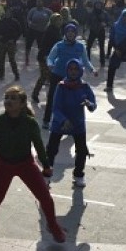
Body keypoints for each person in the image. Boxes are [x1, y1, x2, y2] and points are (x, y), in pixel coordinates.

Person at [0, 85, 66, 243]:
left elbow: (39, 145)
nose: (8, 101)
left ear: (22, 104)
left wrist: (46, 165)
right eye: (6, 98)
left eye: (13, 98)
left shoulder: (30, 123)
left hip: (26, 164)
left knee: (45, 197)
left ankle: (53, 225)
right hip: (3, 165)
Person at [45, 59, 97, 187]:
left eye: (76, 69)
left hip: (77, 123)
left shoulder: (84, 86)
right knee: (51, 150)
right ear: (67, 70)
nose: (73, 72)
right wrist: (63, 120)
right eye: (70, 69)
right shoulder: (61, 86)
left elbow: (93, 104)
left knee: (81, 150)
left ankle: (78, 174)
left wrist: (89, 104)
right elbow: (55, 107)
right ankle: (46, 175)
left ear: (80, 70)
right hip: (60, 123)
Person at [42, 23, 96, 130]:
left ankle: (73, 122)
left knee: (74, 101)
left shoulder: (80, 46)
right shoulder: (59, 45)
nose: (70, 34)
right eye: (68, 32)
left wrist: (92, 70)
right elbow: (50, 58)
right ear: (65, 33)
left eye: (72, 32)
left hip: (73, 77)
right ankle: (46, 120)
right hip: (58, 74)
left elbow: (85, 61)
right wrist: (50, 64)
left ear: (75, 34)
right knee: (52, 97)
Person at [31, 13, 62, 104]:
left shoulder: (57, 30)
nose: (59, 22)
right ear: (53, 21)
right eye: (57, 20)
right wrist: (45, 55)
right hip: (44, 57)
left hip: (51, 57)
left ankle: (51, 96)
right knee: (45, 76)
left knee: (49, 77)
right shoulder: (50, 30)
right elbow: (44, 44)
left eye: (60, 20)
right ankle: (35, 94)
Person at [0, 10, 22, 81]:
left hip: (11, 43)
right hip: (2, 43)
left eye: (9, 13)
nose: (7, 14)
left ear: (11, 14)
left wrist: (14, 39)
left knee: (12, 60)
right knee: (1, 60)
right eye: (6, 13)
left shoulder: (15, 22)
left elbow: (19, 32)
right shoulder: (1, 21)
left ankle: (16, 75)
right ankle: (1, 74)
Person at [85, 0, 110, 67]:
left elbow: (108, 22)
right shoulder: (91, 13)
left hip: (101, 31)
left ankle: (102, 61)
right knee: (88, 46)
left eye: (99, 4)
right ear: (95, 5)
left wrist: (105, 24)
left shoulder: (104, 13)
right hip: (93, 31)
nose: (98, 6)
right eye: (97, 4)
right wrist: (86, 28)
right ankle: (87, 60)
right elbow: (88, 21)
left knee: (101, 47)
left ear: (101, 5)